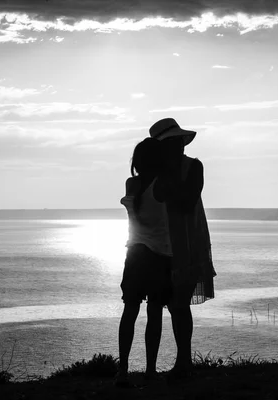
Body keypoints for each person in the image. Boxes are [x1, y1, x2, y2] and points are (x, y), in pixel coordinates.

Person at [149, 117, 216, 378]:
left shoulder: (193, 167)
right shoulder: (155, 173)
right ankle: (161, 366)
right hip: (161, 242)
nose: (179, 146)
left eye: (179, 141)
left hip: (188, 242)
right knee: (162, 304)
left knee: (179, 304)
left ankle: (183, 361)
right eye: (173, 141)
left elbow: (187, 201)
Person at [117, 138, 172, 386]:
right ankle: (150, 369)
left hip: (135, 253)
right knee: (154, 313)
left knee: (130, 311)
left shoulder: (132, 183)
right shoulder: (163, 184)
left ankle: (123, 371)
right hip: (159, 254)